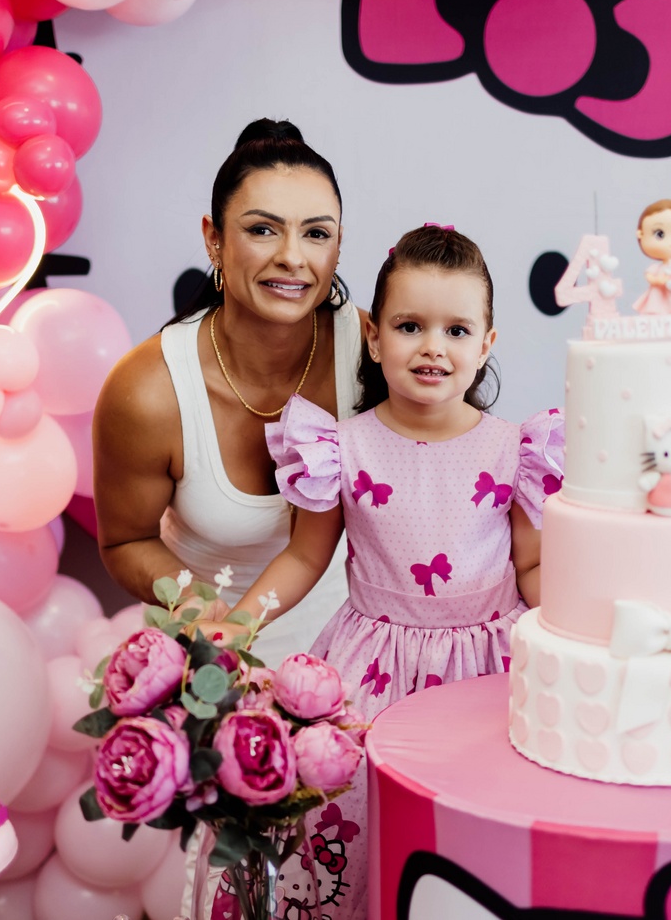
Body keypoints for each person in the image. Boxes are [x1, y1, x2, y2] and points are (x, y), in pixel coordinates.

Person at [228, 224, 564, 919]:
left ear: (486, 344)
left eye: (456, 330)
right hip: (371, 670)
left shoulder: (516, 450)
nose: (433, 347)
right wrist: (236, 624)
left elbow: (530, 564)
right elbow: (304, 556)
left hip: (488, 671)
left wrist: (583, 629)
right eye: (411, 326)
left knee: (474, 840)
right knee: (357, 829)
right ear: (375, 337)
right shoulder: (339, 447)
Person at [92, 118, 364, 669]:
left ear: (338, 245)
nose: (293, 257)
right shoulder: (149, 390)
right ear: (213, 239)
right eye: (263, 229)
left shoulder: (375, 355)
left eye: (316, 233)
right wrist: (199, 609)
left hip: (356, 646)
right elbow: (125, 541)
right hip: (210, 656)